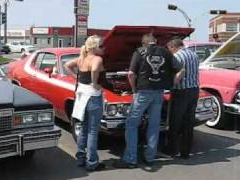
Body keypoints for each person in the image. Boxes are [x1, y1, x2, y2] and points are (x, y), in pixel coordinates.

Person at [113, 33, 183, 168]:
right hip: (159, 93)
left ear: (143, 43)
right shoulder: (166, 52)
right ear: (155, 41)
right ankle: (150, 157)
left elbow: (131, 74)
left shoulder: (139, 52)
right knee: (154, 125)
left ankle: (130, 159)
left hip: (143, 92)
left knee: (131, 124)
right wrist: (172, 84)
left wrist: (134, 90)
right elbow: (181, 70)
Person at [64, 35, 106, 171]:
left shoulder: (82, 58)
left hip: (82, 95)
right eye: (102, 46)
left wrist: (75, 77)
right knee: (93, 130)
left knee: (83, 127)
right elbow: (94, 70)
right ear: (94, 47)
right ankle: (92, 162)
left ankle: (81, 158)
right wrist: (95, 83)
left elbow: (67, 65)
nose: (104, 48)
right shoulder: (97, 59)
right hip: (93, 96)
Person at [166, 37, 200, 159]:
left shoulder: (177, 57)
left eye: (169, 49)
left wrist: (169, 85)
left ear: (172, 47)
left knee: (175, 122)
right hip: (194, 90)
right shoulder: (194, 55)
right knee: (189, 122)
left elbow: (177, 74)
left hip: (181, 91)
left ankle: (172, 150)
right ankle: (185, 152)